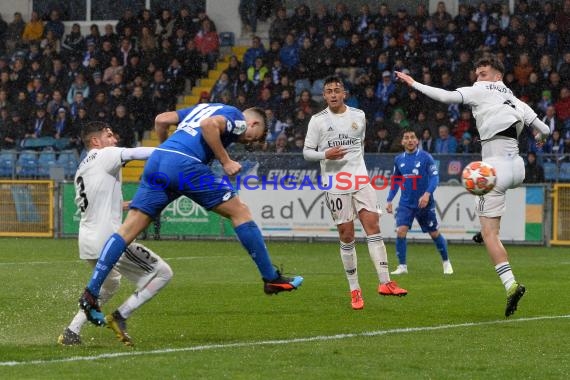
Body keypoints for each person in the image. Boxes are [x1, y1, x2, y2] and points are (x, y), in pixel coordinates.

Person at [78, 104, 303, 326]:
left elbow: (161, 119)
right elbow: (208, 126)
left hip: (159, 161)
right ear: (253, 123)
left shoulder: (202, 108)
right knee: (240, 211)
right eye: (256, 136)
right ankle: (270, 278)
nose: (251, 141)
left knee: (127, 230)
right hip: (186, 166)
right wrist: (225, 160)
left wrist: (167, 148)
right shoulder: (237, 118)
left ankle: (91, 291)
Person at [395, 55, 550, 317]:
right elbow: (544, 129)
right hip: (517, 169)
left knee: (490, 231)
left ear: (496, 76)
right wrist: (538, 137)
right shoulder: (517, 101)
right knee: (489, 222)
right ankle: (485, 230)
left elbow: (444, 97)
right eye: (477, 74)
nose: (478, 78)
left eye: (483, 73)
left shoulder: (480, 90)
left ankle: (511, 285)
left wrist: (414, 83)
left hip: (494, 169)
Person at [59, 121, 173, 346]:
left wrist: (128, 204)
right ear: (96, 141)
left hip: (87, 241)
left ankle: (72, 330)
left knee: (110, 283)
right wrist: (176, 149)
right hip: (109, 240)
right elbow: (140, 152)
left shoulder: (82, 167)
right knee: (163, 273)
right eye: (109, 135)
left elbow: (95, 202)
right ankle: (120, 317)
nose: (114, 140)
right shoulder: (105, 154)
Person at [303, 76, 407, 311]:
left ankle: (385, 282)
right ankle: (355, 289)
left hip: (359, 178)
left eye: (336, 90)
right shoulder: (317, 121)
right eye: (328, 91)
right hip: (334, 182)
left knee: (373, 225)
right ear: (324, 95)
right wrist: (325, 155)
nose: (332, 95)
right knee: (347, 234)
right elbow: (307, 152)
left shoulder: (359, 116)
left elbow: (358, 145)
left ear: (344, 94)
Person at [386, 129, 453, 275]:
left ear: (417, 141)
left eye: (412, 137)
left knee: (434, 233)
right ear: (402, 142)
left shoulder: (426, 157)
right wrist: (389, 199)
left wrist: (427, 194)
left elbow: (435, 178)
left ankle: (446, 262)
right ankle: (402, 266)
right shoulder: (399, 159)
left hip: (424, 203)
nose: (410, 140)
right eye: (406, 138)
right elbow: (396, 181)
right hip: (405, 204)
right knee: (401, 231)